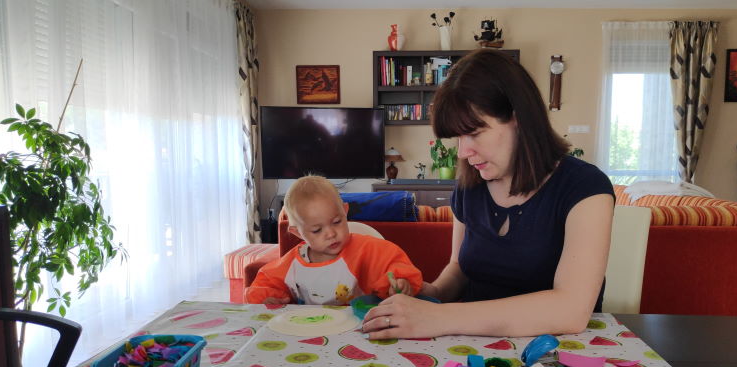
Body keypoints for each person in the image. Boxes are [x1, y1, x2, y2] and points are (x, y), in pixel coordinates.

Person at [362, 49, 615, 338]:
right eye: (458, 137)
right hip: (473, 349)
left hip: (558, 351)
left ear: (518, 118)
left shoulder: (585, 187)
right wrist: (425, 295)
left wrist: (440, 316)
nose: (463, 152)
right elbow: (459, 268)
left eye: (474, 133)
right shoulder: (470, 186)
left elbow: (571, 311)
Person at [245, 175, 422, 305]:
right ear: (297, 233)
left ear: (345, 211)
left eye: (337, 222)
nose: (330, 234)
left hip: (360, 328)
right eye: (317, 230)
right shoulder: (291, 264)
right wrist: (268, 298)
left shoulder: (367, 249)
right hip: (310, 331)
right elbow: (264, 284)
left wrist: (401, 282)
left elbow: (394, 263)